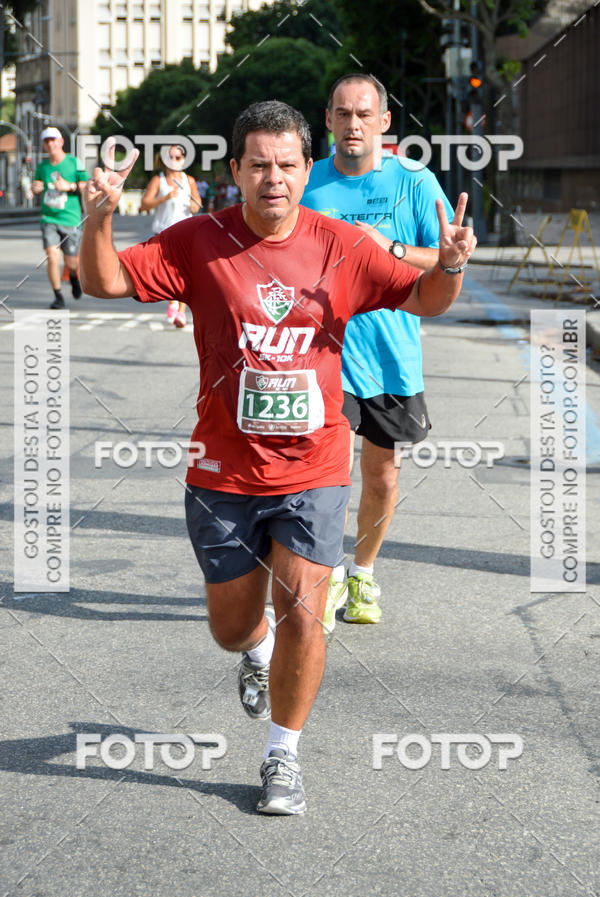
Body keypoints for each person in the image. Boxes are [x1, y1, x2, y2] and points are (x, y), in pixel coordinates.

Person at [80, 101, 475, 815]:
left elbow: (426, 300)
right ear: (235, 171)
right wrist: (99, 219)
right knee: (231, 626)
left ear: (305, 168)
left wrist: (447, 263)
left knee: (303, 606)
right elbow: (105, 282)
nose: (274, 178)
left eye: (288, 165)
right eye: (259, 165)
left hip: (313, 467)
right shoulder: (199, 240)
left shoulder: (341, 244)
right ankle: (253, 652)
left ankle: (282, 755)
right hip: (223, 471)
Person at [303, 74, 454, 629]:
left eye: (364, 114)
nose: (353, 124)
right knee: (323, 474)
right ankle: (321, 576)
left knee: (382, 476)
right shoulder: (306, 182)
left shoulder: (413, 181)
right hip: (321, 353)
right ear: (328, 120)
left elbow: (444, 256)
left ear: (384, 122)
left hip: (391, 356)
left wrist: (385, 246)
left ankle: (361, 571)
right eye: (343, 114)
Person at [140, 144, 202, 327]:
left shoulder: (189, 180)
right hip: (163, 233)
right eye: (171, 157)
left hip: (185, 233)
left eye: (178, 157)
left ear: (184, 160)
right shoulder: (158, 181)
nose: (175, 160)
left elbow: (197, 203)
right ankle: (173, 301)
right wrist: (165, 198)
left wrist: (194, 205)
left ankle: (181, 312)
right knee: (167, 273)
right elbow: (144, 205)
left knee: (185, 272)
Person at [31, 126, 88, 310]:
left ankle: (74, 278)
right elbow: (37, 185)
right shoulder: (43, 167)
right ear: (44, 145)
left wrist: (69, 186)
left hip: (70, 219)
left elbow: (87, 184)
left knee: (71, 262)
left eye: (53, 140)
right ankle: (58, 296)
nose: (50, 144)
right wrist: (35, 188)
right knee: (52, 255)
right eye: (46, 141)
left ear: (61, 142)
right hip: (49, 217)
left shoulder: (74, 162)